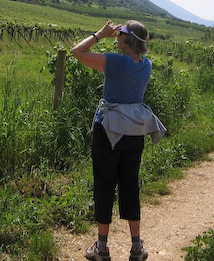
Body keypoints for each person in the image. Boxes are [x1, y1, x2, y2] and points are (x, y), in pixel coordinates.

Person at [71, 20, 166, 261]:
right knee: (129, 184)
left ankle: (102, 247)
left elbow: (77, 52)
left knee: (104, 184)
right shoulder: (146, 65)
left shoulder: (115, 62)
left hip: (109, 130)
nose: (116, 36)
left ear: (128, 39)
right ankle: (136, 246)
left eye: (120, 33)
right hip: (134, 130)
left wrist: (98, 35)